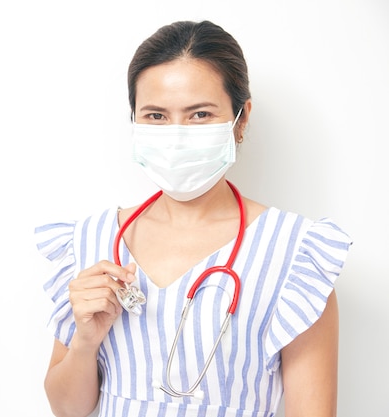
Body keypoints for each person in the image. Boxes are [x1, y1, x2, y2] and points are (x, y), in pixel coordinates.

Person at [34, 20, 351, 417]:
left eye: (200, 114)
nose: (177, 134)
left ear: (241, 117)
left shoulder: (295, 255)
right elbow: (68, 410)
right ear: (134, 120)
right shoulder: (89, 241)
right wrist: (84, 341)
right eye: (156, 116)